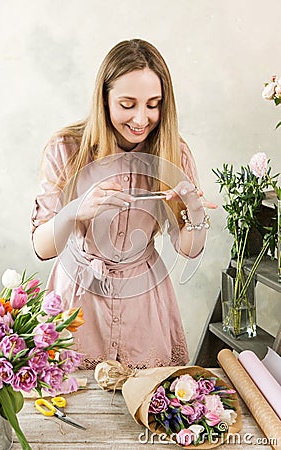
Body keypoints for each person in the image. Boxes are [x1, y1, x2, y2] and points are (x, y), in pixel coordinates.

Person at [31, 38, 214, 369]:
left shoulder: (175, 153)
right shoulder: (65, 149)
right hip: (77, 299)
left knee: (145, 407)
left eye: (153, 104)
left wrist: (194, 211)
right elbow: (43, 248)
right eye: (127, 104)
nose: (141, 119)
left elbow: (188, 249)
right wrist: (77, 210)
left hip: (144, 306)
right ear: (104, 99)